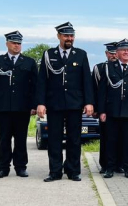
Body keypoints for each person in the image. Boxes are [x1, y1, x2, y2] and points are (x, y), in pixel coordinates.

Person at [36, 22, 94, 182]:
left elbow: (86, 81)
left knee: (74, 139)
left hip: (75, 104)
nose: (69, 38)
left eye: (71, 35)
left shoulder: (81, 54)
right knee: (54, 138)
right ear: (59, 36)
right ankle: (55, 171)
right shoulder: (49, 54)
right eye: (66, 35)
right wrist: (41, 102)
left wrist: (89, 102)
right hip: (54, 104)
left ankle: (73, 170)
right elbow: (42, 80)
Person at [0, 31, 37, 178]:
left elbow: (34, 86)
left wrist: (34, 105)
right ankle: (3, 167)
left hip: (22, 108)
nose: (17, 46)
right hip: (3, 107)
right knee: (4, 138)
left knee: (21, 138)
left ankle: (21, 167)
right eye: (14, 43)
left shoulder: (29, 62)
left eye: (19, 43)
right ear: (7, 43)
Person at [98, 39, 128, 178]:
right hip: (112, 111)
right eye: (123, 50)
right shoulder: (108, 68)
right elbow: (102, 92)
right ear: (117, 53)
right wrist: (102, 111)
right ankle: (110, 168)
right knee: (111, 141)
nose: (126, 53)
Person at [92, 42, 119, 173]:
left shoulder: (122, 68)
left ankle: (119, 164)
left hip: (120, 109)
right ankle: (104, 164)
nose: (113, 56)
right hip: (105, 109)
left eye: (115, 53)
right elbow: (96, 90)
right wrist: (97, 109)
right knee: (105, 138)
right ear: (106, 54)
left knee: (120, 138)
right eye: (111, 53)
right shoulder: (99, 68)